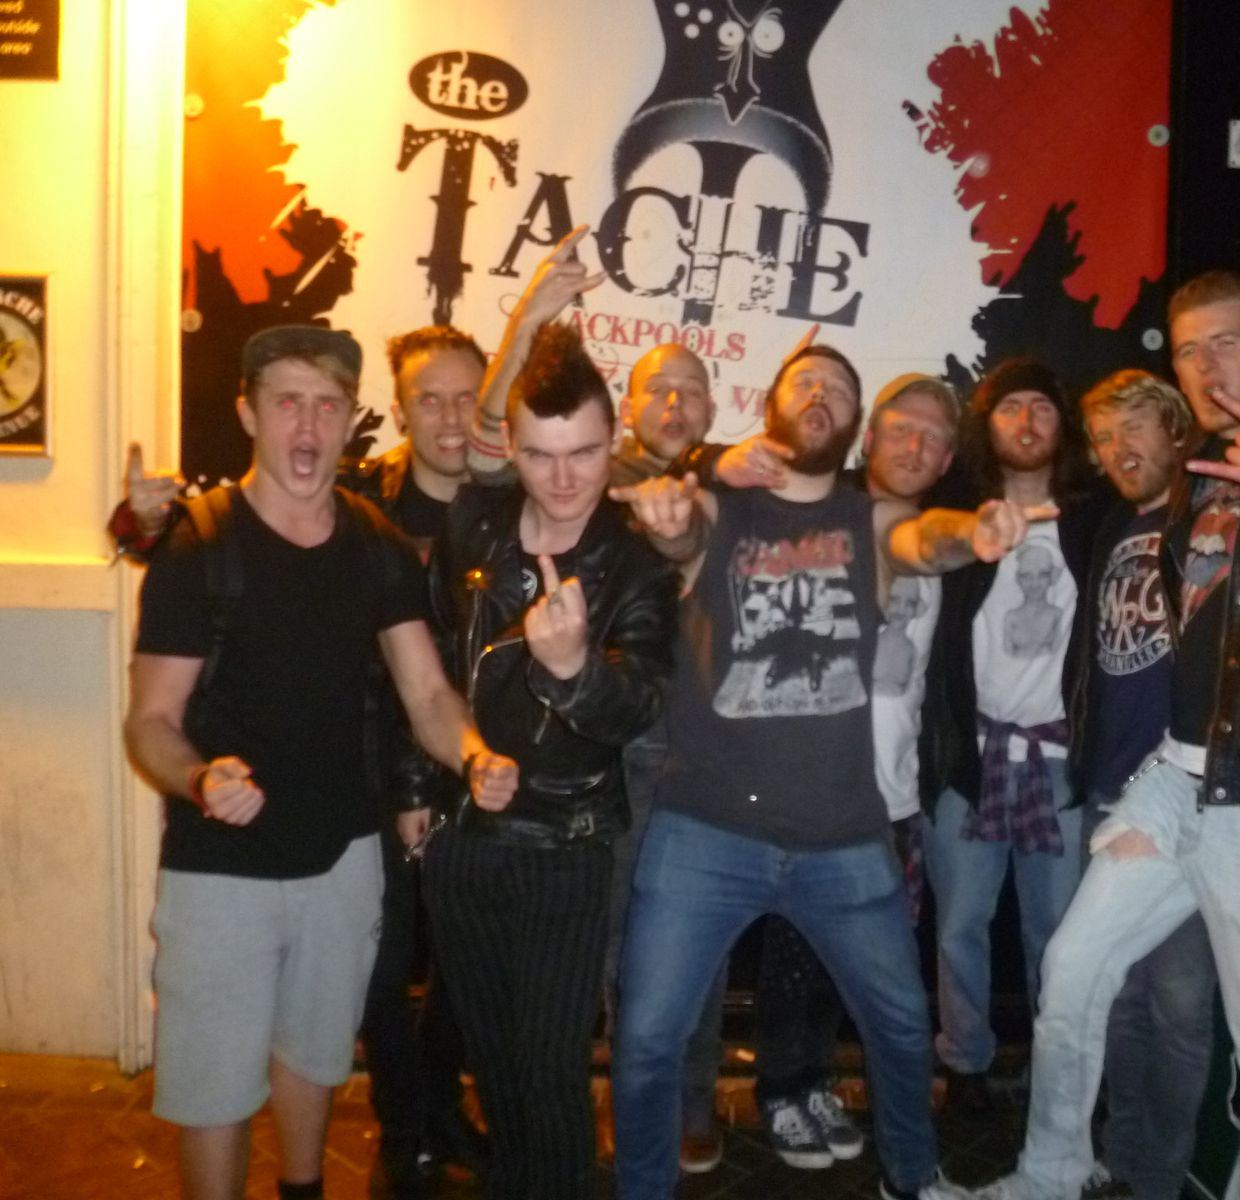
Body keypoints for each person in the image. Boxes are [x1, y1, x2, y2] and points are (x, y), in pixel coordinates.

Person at [975, 271, 1240, 1200]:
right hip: (1174, 779)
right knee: (1072, 968)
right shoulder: (1197, 473)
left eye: (1225, 342)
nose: (1206, 364)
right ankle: (1050, 1174)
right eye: (1187, 349)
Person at [610, 344, 1052, 1200]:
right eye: (804, 380)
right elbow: (675, 525)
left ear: (853, 427)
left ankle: (913, 1179)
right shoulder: (720, 506)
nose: (820, 391)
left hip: (842, 835)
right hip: (705, 828)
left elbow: (923, 540)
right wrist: (668, 520)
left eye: (840, 388)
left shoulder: (869, 520)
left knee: (902, 1026)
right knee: (646, 1038)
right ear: (772, 405)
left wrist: (974, 534)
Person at [123, 325, 516, 1200]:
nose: (308, 427)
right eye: (288, 403)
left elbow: (427, 694)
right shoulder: (199, 545)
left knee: (314, 1056)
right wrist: (198, 778)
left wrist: (475, 754)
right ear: (248, 414)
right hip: (220, 866)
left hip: (344, 855)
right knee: (215, 1083)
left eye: (328, 406)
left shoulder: (375, 543)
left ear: (351, 419)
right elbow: (150, 721)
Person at [422, 320, 678, 1200]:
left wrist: (573, 671)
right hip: (465, 840)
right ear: (511, 447)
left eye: (584, 454)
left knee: (550, 1070)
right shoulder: (475, 528)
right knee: (494, 1063)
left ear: (615, 441)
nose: (564, 479)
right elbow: (424, 664)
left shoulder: (636, 562)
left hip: (568, 847)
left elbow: (639, 702)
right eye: (539, 455)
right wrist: (425, 786)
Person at [746, 373, 962, 1171]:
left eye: (933, 438)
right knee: (791, 952)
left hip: (892, 795)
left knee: (857, 963)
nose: (915, 446)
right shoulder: (815, 517)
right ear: (869, 438)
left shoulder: (942, 545)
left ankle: (820, 1081)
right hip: (810, 786)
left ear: (947, 461)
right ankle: (781, 1087)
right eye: (901, 428)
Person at [918, 359, 1108, 1110]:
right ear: (985, 423)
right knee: (958, 925)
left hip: (1060, 759)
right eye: (1009, 408)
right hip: (971, 754)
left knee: (1058, 934)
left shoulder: (1096, 521)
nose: (1026, 422)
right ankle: (964, 1061)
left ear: (1064, 425)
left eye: (1041, 407)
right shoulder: (957, 516)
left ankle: (1055, 1074)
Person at [1069, 369, 1216, 1200]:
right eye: (1103, 436)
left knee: (1180, 1003)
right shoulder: (1108, 528)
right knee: (1117, 995)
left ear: (1175, 428)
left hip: (1190, 797)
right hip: (1110, 786)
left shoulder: (1213, 520)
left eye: (1133, 427)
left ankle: (1159, 1177)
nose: (1116, 448)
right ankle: (1122, 1161)